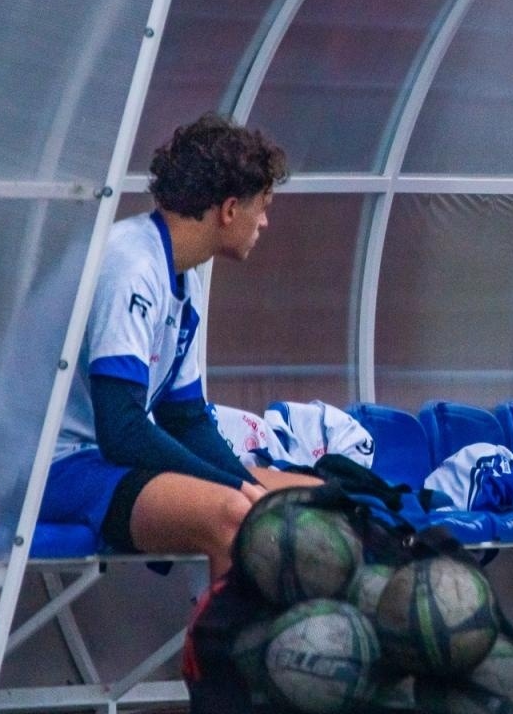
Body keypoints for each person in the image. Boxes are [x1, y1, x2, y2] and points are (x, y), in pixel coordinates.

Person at [37, 114, 309, 577]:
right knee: (237, 518)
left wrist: (245, 483)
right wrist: (241, 493)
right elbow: (121, 429)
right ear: (228, 210)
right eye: (261, 206)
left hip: (99, 459)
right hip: (52, 468)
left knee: (315, 498)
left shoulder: (184, 269)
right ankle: (229, 650)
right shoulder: (131, 263)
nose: (263, 222)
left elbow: (185, 420)